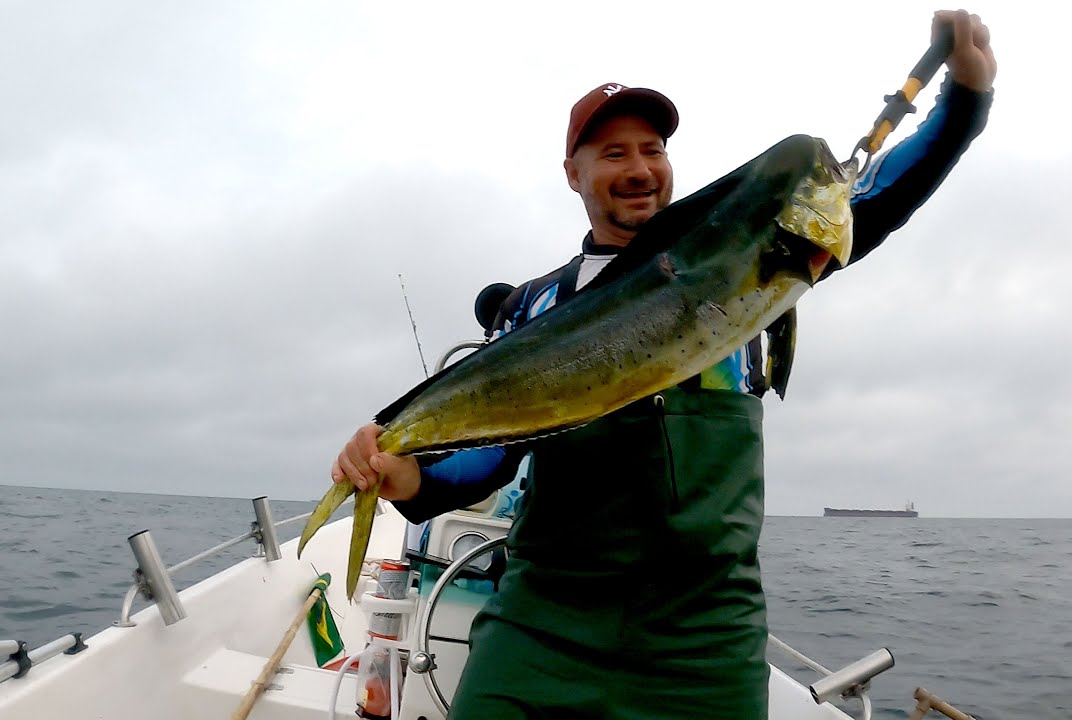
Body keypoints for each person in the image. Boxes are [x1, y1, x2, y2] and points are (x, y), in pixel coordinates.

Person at [332, 10, 996, 718]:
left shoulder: (748, 269)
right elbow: (484, 460)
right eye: (613, 154)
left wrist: (964, 96)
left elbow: (886, 189)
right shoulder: (536, 309)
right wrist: (404, 475)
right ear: (573, 173)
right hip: (543, 623)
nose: (640, 169)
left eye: (652, 149)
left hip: (706, 640)